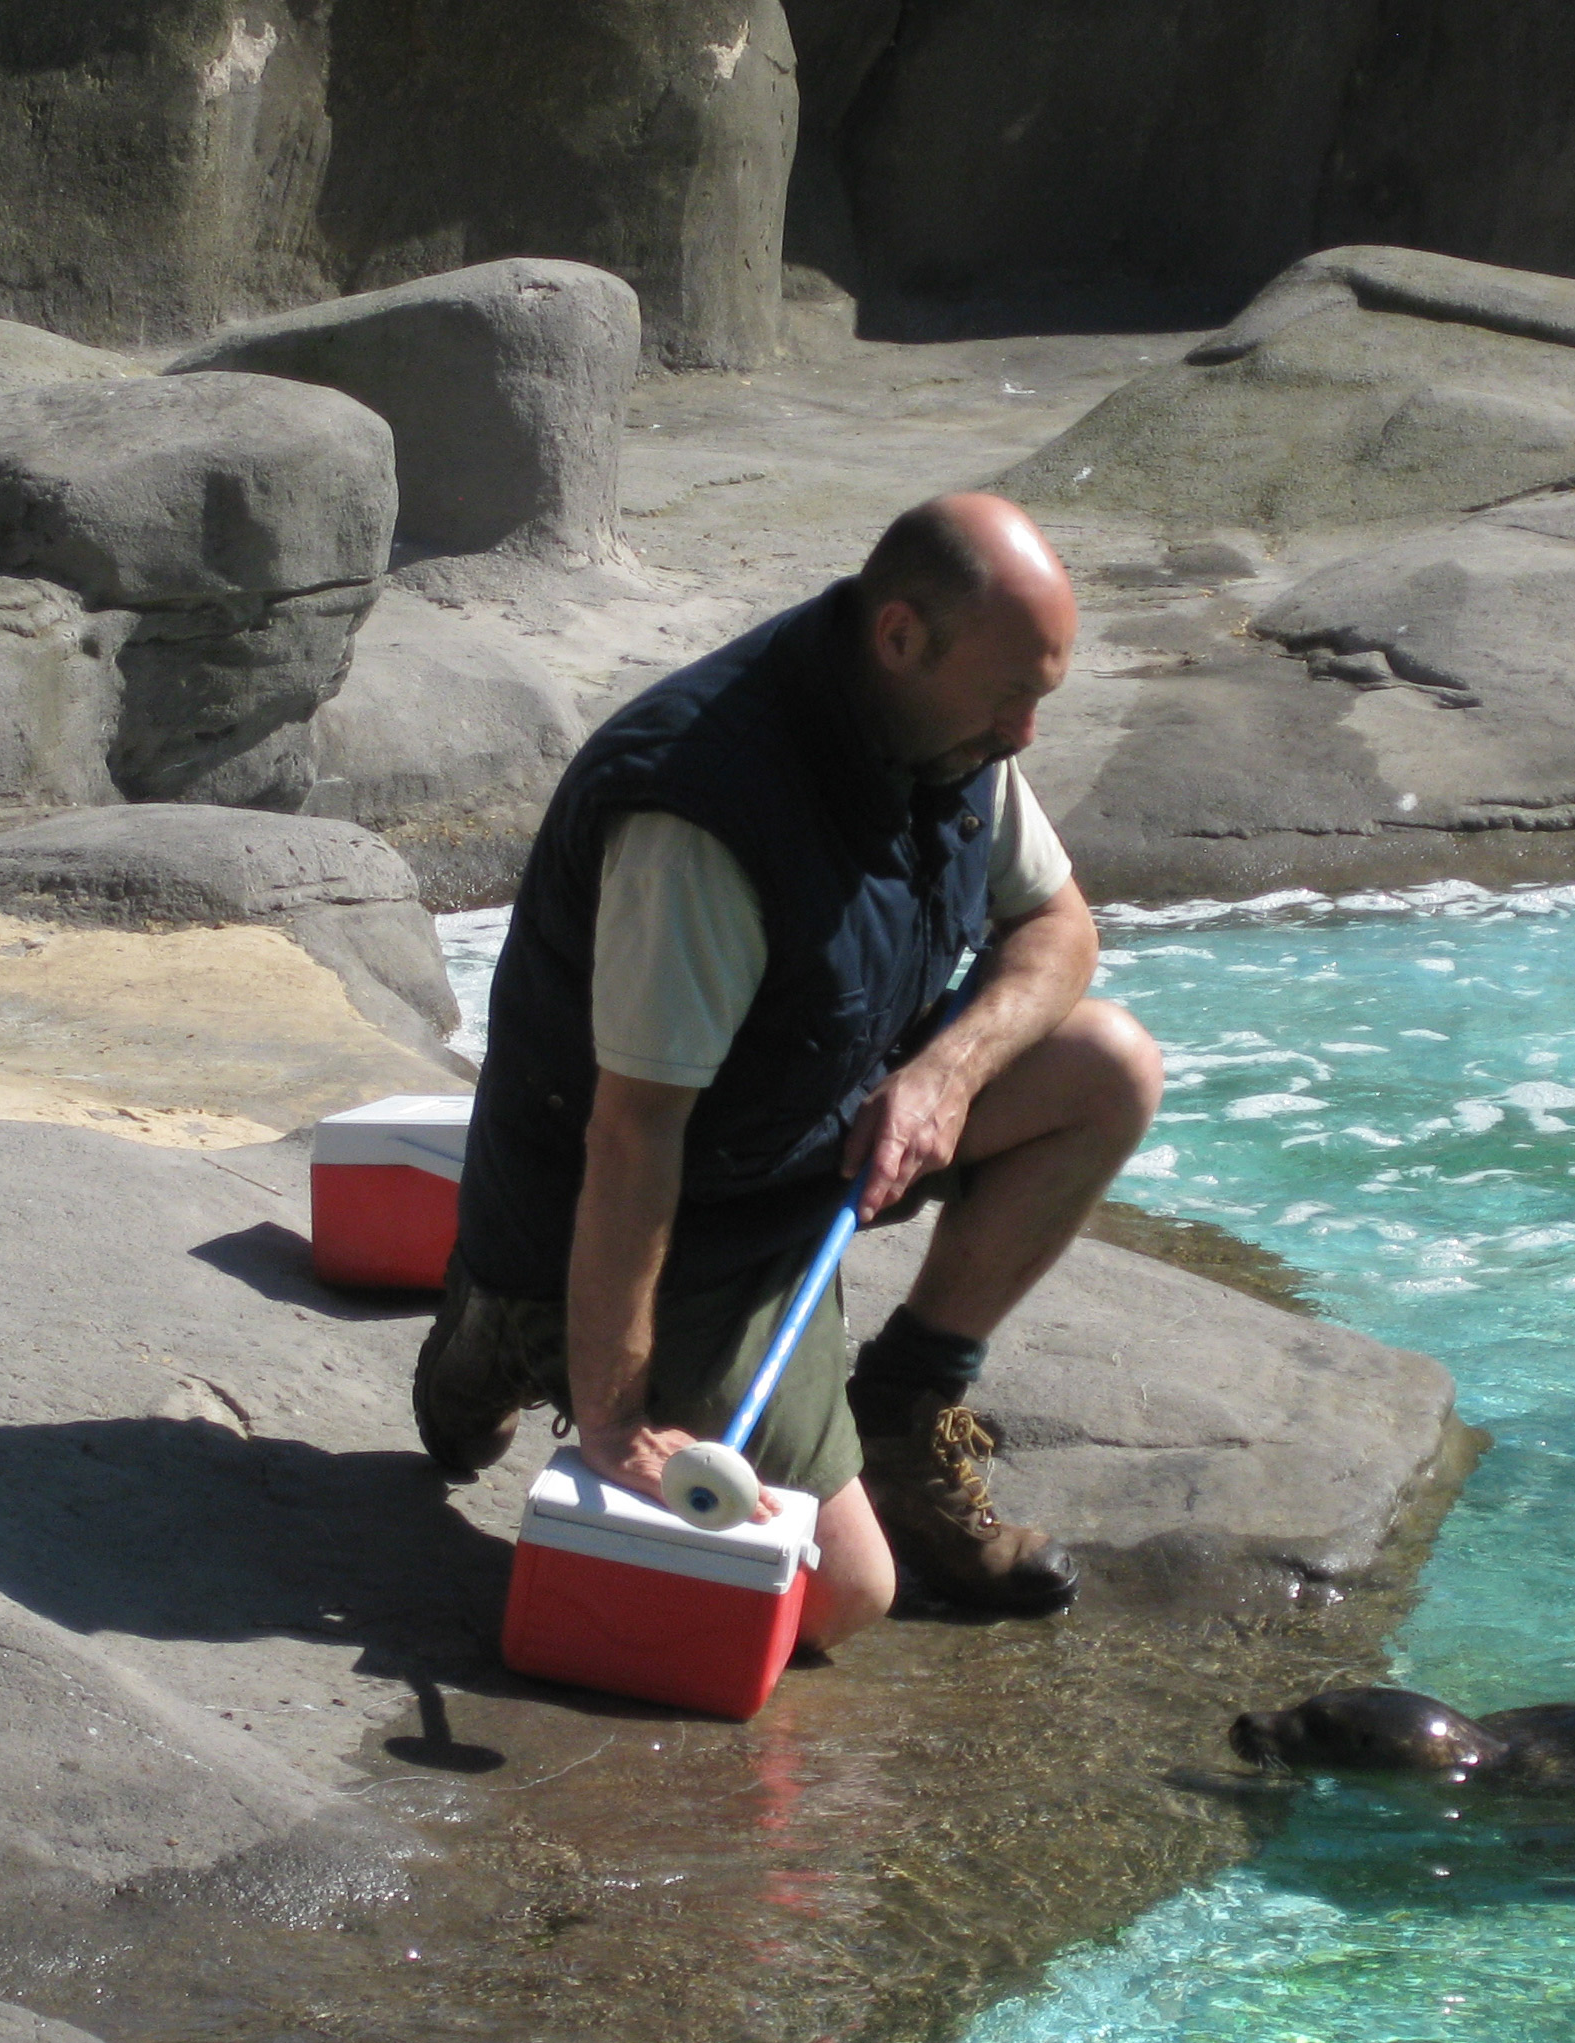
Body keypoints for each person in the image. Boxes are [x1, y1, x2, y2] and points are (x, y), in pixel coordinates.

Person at [413, 493, 1162, 1637]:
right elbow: (635, 1134)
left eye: (1040, 697)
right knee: (842, 1597)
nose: (1025, 732)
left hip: (809, 1137)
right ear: (901, 636)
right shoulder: (703, 816)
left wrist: (946, 1074)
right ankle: (506, 1324)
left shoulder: (947, 731)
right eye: (1013, 695)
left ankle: (903, 1414)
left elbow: (1060, 929)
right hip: (668, 1220)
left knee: (1107, 1066)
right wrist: (615, 1422)